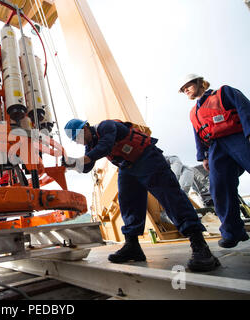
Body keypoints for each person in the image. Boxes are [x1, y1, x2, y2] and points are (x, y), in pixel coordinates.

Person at [63, 118, 220, 272]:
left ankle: (200, 246)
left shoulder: (106, 126)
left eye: (77, 136)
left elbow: (105, 146)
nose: (78, 141)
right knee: (128, 203)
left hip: (147, 158)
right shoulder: (90, 145)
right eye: (74, 140)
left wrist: (81, 159)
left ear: (85, 128)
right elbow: (86, 167)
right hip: (127, 167)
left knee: (171, 198)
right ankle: (132, 246)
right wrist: (71, 164)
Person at [179, 74, 250, 248]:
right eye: (183, 89)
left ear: (199, 83)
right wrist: (203, 156)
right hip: (216, 147)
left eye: (187, 86)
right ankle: (233, 232)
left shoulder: (223, 93)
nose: (185, 90)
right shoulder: (193, 113)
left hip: (239, 137)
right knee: (219, 187)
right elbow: (198, 135)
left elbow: (244, 108)